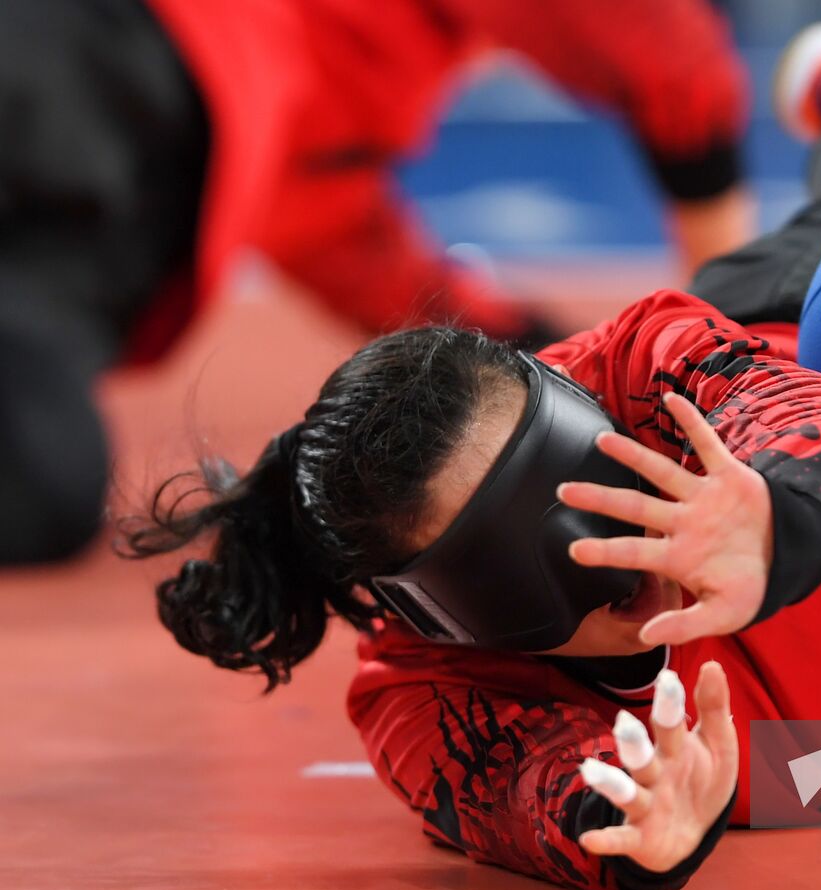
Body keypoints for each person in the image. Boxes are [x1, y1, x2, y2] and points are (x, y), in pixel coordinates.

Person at [122, 25, 821, 890]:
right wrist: (640, 828)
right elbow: (537, 798)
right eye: (531, 571)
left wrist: (772, 521)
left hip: (819, 323)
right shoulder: (422, 698)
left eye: (591, 494)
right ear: (444, 620)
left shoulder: (643, 361)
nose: (620, 569)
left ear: (578, 407)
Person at [0, 0, 752, 564]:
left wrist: (567, 377)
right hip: (110, 40)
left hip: (91, 248)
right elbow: (654, 49)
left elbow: (345, 239)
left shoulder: (331, 85)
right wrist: (732, 337)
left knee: (48, 479)